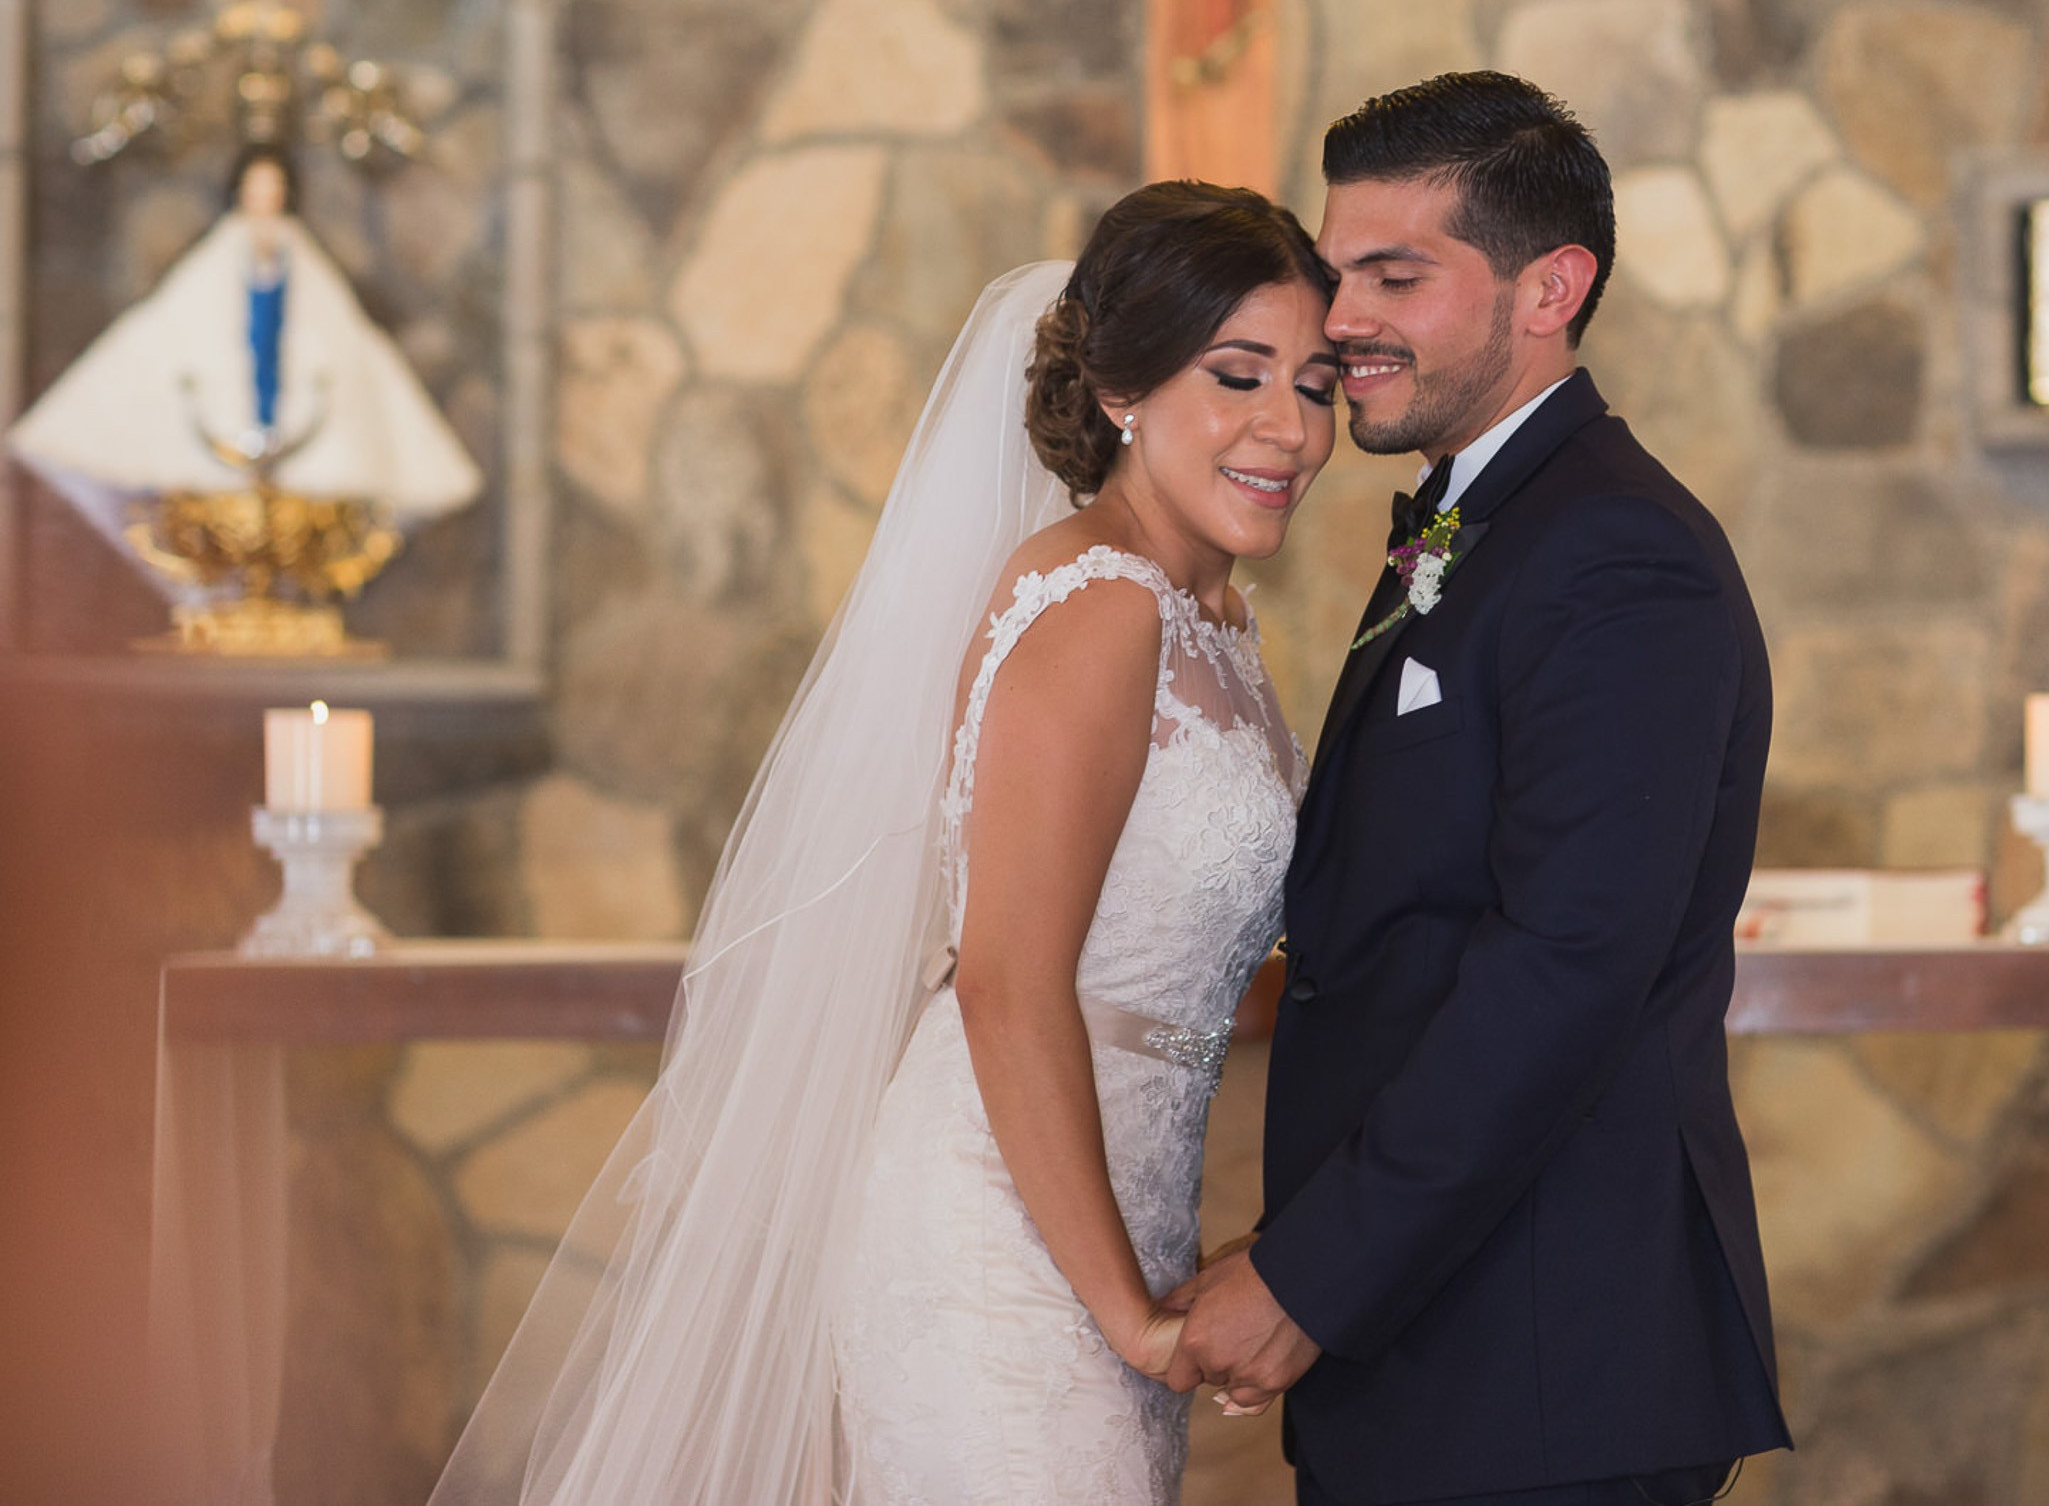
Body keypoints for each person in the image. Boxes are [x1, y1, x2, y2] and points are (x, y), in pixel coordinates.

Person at [426, 181, 1339, 1503]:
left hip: (1120, 1205)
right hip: (1002, 1234)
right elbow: (1006, 979)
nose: (1290, 428)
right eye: (1240, 375)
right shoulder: (1101, 606)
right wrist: (1128, 1314)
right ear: (1126, 390)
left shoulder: (1221, 623)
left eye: (1316, 386)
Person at [1167, 72, 1795, 1504]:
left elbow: (1566, 968)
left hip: (1542, 1361)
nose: (1342, 320)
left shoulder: (1616, 554)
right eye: (1338, 275)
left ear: (1548, 288)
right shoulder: (1486, 521)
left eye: (1398, 274)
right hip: (1458, 1352)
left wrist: (1308, 1275)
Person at [6, 143, 481, 544]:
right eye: (256, 189)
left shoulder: (302, 260)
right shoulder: (215, 260)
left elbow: (327, 334)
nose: (264, 199)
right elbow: (181, 327)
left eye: (273, 189)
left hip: (287, 397)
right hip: (224, 405)